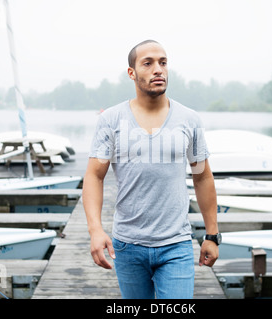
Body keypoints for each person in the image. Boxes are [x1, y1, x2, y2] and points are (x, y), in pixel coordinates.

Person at [82, 39, 220, 299]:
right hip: (127, 245)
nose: (159, 69)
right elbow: (94, 176)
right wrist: (95, 230)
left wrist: (212, 234)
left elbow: (202, 178)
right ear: (132, 73)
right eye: (148, 63)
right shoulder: (111, 120)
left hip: (175, 245)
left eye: (163, 62)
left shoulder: (189, 120)